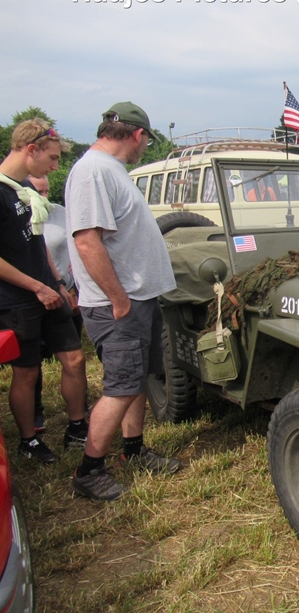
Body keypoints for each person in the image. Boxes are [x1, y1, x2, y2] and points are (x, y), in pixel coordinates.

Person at [65, 101, 180, 501]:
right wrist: (118, 299)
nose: (144, 148)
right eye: (146, 141)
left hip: (136, 297)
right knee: (120, 387)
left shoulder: (110, 170)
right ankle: (89, 470)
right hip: (119, 303)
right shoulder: (93, 171)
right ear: (137, 134)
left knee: (135, 380)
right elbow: (87, 241)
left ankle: (134, 449)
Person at [0, 119, 89, 463]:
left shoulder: (25, 189)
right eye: (51, 158)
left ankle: (77, 426)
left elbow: (38, 244)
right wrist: (36, 287)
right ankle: (29, 440)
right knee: (27, 372)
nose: (54, 167)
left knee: (76, 359)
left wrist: (58, 283)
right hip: (17, 300)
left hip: (49, 292)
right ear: (31, 150)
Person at [24, 174, 85, 431]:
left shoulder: (60, 213)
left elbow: (75, 248)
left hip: (61, 292)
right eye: (38, 191)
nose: (44, 197)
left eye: (47, 191)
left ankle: (78, 417)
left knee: (74, 358)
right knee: (30, 365)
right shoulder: (18, 217)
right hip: (27, 297)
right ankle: (34, 417)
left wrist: (70, 286)